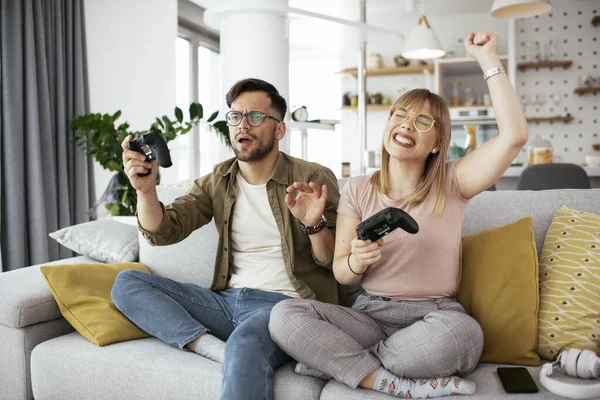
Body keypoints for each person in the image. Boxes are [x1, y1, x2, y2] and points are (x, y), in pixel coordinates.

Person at [269, 30, 528, 399]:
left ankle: (339, 364)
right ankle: (391, 382)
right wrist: (357, 261)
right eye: (400, 115)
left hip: (434, 317)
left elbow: (514, 136)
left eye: (423, 122)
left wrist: (488, 60)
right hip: (370, 316)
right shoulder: (359, 187)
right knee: (284, 317)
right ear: (388, 124)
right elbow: (341, 271)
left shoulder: (454, 182)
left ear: (437, 143)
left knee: (465, 334)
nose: (407, 124)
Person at [111, 78, 340, 400]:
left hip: (286, 307)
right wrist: (146, 191)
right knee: (128, 283)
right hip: (226, 301)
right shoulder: (217, 180)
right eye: (235, 116)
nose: (242, 125)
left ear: (279, 130)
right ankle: (210, 347)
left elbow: (334, 260)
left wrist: (314, 225)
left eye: (256, 117)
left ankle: (235, 349)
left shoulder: (312, 178)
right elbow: (165, 232)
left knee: (245, 343)